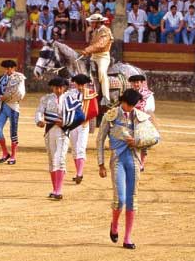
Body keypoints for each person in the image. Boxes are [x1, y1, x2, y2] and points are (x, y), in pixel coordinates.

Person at [96, 87, 160, 249]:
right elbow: (100, 140)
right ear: (123, 101)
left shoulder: (141, 117)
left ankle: (128, 237)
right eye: (128, 105)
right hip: (117, 160)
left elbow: (153, 137)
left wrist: (137, 142)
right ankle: (115, 225)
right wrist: (101, 164)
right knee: (120, 199)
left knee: (132, 199)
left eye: (133, 105)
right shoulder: (110, 116)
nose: (130, 108)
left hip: (134, 160)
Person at [35, 77, 84, 200]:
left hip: (63, 132)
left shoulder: (70, 99)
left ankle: (58, 190)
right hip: (50, 132)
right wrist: (39, 121)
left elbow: (80, 116)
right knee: (52, 160)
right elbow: (39, 112)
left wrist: (67, 124)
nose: (59, 90)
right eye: (56, 87)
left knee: (59, 159)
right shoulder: (46, 99)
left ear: (65, 87)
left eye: (61, 87)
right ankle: (54, 188)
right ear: (52, 87)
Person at [67, 73, 99, 184]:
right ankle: (78, 172)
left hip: (84, 124)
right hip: (72, 124)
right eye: (78, 84)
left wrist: (84, 118)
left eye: (82, 84)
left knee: (80, 148)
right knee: (75, 149)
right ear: (74, 83)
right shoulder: (70, 94)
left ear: (85, 84)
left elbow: (95, 111)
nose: (80, 87)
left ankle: (79, 173)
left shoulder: (90, 93)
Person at [0, 59, 26, 164]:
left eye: (9, 68)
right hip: (3, 108)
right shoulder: (1, 79)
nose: (7, 70)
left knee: (13, 133)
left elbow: (20, 94)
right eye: (6, 68)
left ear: (13, 68)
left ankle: (13, 156)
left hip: (13, 107)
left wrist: (6, 97)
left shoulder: (19, 78)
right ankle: (5, 153)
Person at [82, 12, 113, 105]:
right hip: (94, 56)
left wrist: (87, 50)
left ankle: (106, 97)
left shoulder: (106, 31)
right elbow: (93, 44)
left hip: (103, 57)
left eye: (92, 22)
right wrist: (87, 53)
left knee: (102, 72)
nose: (91, 24)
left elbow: (101, 44)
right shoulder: (95, 31)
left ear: (98, 22)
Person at [128, 73, 155, 171]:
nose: (136, 84)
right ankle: (133, 162)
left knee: (143, 144)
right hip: (130, 121)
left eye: (137, 82)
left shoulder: (148, 95)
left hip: (143, 120)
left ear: (141, 83)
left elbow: (150, 108)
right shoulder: (128, 93)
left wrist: (138, 110)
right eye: (134, 82)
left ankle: (141, 163)